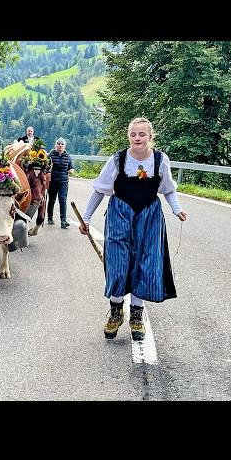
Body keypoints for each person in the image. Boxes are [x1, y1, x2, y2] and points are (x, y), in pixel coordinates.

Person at [80, 117, 187, 341]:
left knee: (145, 265)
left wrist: (176, 209)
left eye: (142, 134)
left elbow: (167, 189)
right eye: (133, 134)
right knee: (118, 264)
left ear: (150, 136)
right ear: (129, 136)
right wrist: (87, 218)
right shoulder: (118, 160)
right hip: (120, 214)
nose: (137, 138)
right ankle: (116, 311)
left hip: (149, 216)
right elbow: (100, 190)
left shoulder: (160, 160)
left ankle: (136, 317)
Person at [47, 137, 75, 228]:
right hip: (53, 181)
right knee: (52, 200)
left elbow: (71, 167)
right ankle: (50, 217)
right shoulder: (51, 155)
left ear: (64, 146)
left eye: (62, 144)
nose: (60, 146)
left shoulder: (67, 156)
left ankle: (63, 220)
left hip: (63, 181)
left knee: (63, 200)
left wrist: (71, 170)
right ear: (56, 145)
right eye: (58, 144)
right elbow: (46, 167)